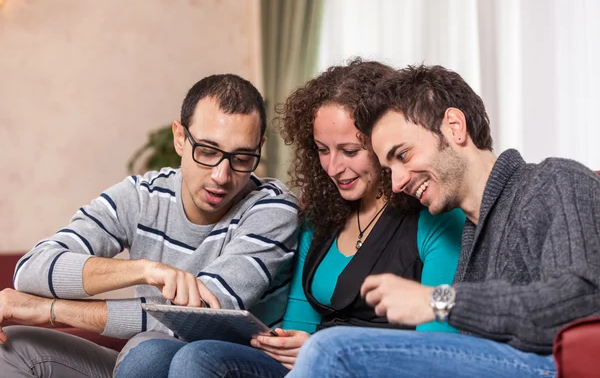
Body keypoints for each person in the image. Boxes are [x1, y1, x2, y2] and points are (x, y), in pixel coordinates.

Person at [120, 59, 466, 378]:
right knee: (150, 355)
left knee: (198, 359)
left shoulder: (434, 219)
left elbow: (435, 350)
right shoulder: (321, 218)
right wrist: (285, 340)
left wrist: (323, 349)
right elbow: (300, 322)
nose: (333, 167)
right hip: (306, 366)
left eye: (349, 151)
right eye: (322, 150)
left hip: (368, 367)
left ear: (381, 142)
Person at [288, 64, 600, 378]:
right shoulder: (472, 239)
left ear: (454, 126)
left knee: (332, 349)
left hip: (551, 368)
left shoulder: (555, 181)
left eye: (404, 155)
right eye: (388, 169)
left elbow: (580, 300)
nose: (396, 183)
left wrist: (438, 300)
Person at [0, 74, 300, 378]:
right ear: (180, 138)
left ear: (259, 148)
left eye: (242, 158)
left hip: (227, 365)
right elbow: (31, 270)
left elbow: (201, 320)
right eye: (207, 151)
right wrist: (144, 269)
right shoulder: (141, 196)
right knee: (11, 348)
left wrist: (51, 310)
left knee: (151, 351)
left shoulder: (272, 209)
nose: (222, 176)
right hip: (149, 361)